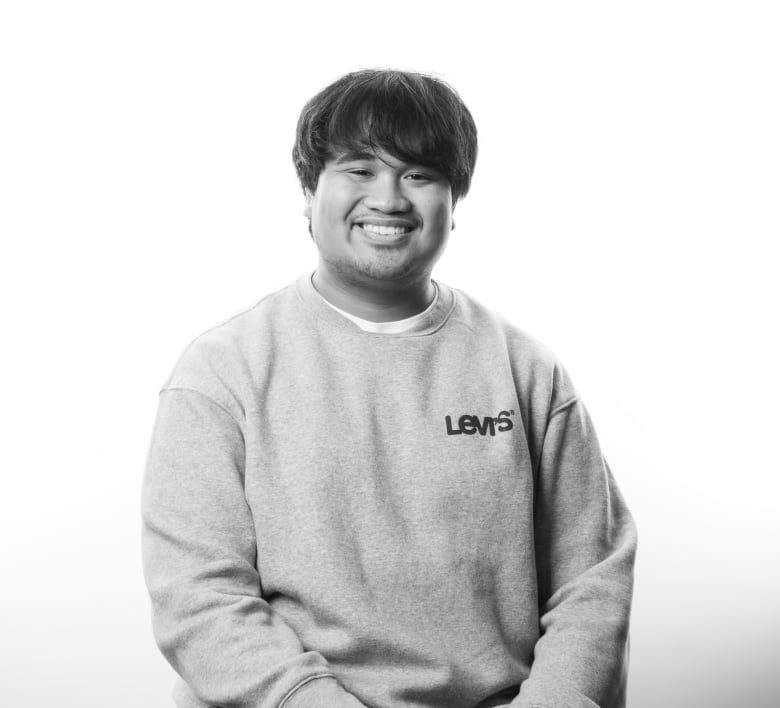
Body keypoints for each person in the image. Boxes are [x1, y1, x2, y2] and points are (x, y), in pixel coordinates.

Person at [142, 69, 637, 708]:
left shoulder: (525, 370)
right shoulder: (222, 371)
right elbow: (199, 597)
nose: (390, 198)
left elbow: (592, 581)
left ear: (454, 203)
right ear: (308, 190)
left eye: (418, 174)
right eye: (359, 169)